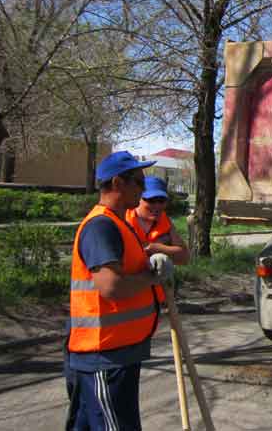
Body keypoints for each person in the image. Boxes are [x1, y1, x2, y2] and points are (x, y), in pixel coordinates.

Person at [65, 151, 174, 431]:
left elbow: (126, 268)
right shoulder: (101, 226)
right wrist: (152, 277)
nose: (144, 188)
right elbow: (111, 286)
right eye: (138, 181)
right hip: (105, 356)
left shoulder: (117, 223)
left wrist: (149, 262)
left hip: (117, 353)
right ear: (117, 183)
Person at [126, 176, 191, 268]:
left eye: (161, 200)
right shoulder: (124, 218)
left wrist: (159, 248)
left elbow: (184, 257)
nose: (157, 205)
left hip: (155, 281)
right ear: (138, 197)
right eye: (151, 200)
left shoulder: (165, 222)